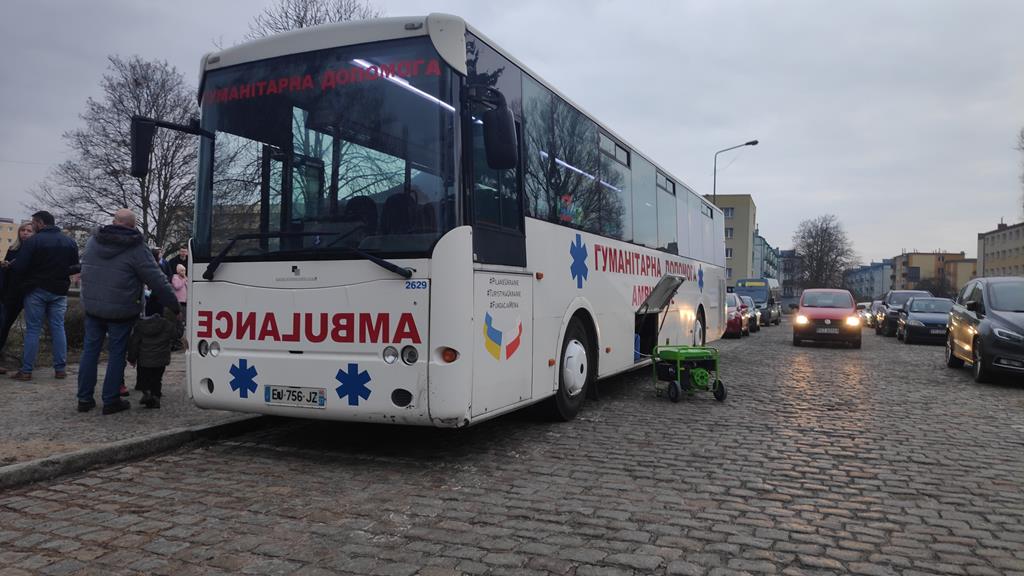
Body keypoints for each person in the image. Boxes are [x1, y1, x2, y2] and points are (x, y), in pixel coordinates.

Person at [77, 209, 180, 415]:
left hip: (93, 307)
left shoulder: (93, 242)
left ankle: (84, 399)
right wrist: (175, 306)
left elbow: (85, 268)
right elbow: (157, 280)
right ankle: (111, 400)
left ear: (114, 221)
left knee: (90, 351)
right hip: (122, 309)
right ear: (133, 226)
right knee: (117, 353)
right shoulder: (136, 247)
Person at [8, 212, 80, 381]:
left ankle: (26, 371)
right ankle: (60, 369)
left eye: (33, 223)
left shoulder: (33, 241)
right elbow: (75, 267)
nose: (32, 226)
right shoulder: (69, 241)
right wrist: (60, 272)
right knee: (58, 327)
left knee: (33, 329)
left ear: (40, 223)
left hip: (36, 289)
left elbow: (20, 268)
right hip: (60, 290)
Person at [127, 307, 181, 409]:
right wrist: (178, 321)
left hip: (144, 360)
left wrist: (132, 358)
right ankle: (155, 396)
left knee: (144, 378)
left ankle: (147, 392)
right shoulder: (167, 325)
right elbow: (176, 335)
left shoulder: (140, 326)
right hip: (160, 360)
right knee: (157, 379)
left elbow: (134, 343)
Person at [0, 222, 35, 374]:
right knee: (3, 325)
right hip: (9, 293)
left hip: (26, 292)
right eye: (23, 230)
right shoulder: (13, 249)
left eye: (29, 231)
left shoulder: (35, 251)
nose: (25, 233)